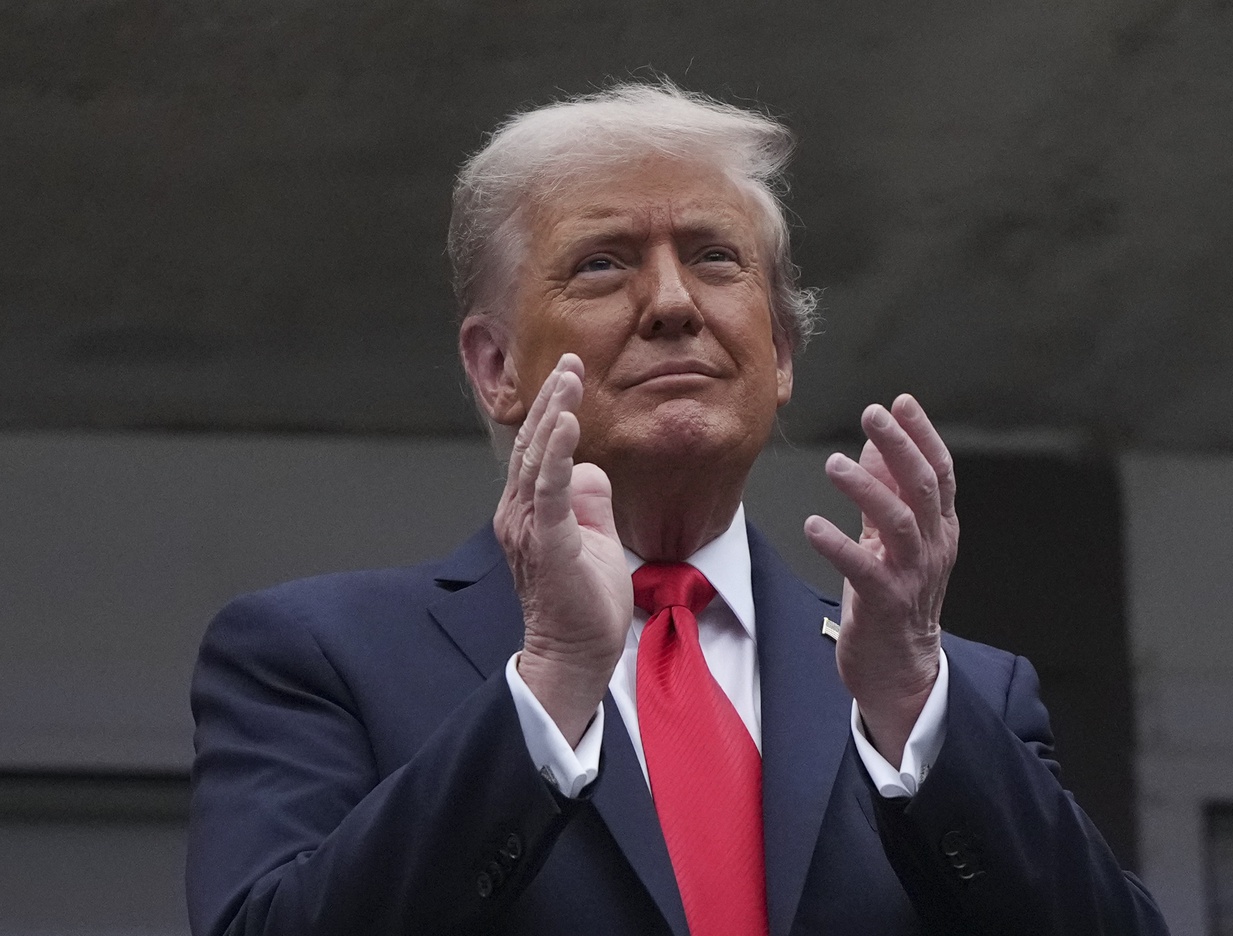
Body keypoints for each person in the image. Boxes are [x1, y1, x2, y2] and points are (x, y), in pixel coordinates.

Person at [186, 82, 1168, 936]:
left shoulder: (957, 697)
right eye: (603, 263)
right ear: (495, 367)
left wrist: (913, 700)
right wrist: (555, 683)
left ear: (778, 353)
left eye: (713, 257)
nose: (671, 303)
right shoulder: (319, 658)